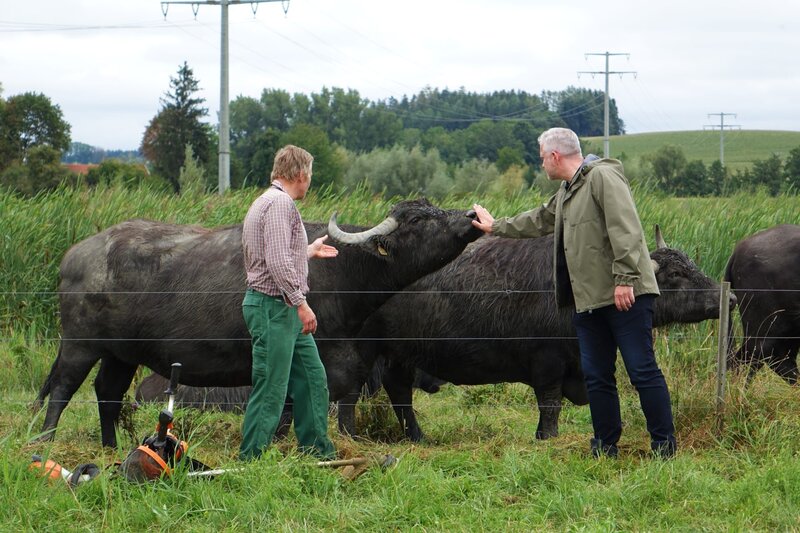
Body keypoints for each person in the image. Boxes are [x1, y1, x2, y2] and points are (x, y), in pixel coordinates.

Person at [471, 127, 676, 459]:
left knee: (641, 370)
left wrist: (625, 278)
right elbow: (538, 219)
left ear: (555, 156)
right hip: (590, 301)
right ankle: (605, 445)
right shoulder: (569, 190)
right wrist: (496, 227)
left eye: (541, 159)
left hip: (626, 296)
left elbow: (626, 227)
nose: (542, 166)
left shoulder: (603, 177)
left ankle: (664, 446)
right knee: (596, 375)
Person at [239, 144, 338, 461]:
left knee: (312, 378)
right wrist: (301, 303)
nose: (310, 183)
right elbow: (278, 262)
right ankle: (251, 460)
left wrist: (307, 251)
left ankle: (316, 451)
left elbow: (276, 256)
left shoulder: (265, 201)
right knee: (271, 387)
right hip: (275, 308)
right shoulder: (281, 205)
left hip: (280, 308)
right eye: (310, 176)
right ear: (300, 174)